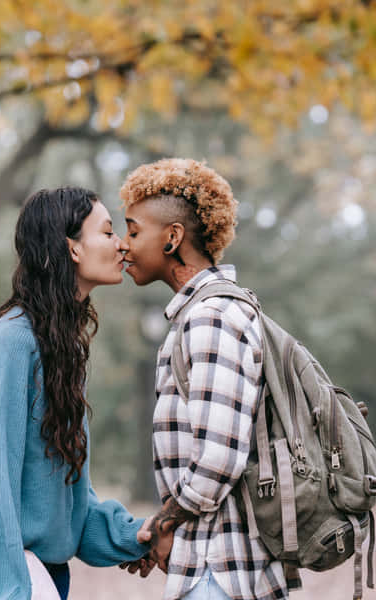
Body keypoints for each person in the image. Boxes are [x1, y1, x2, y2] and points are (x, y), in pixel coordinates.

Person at [0, 187, 152, 600]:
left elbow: (64, 497)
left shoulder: (59, 346)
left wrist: (136, 535)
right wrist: (6, 591)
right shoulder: (13, 341)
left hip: (35, 570)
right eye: (106, 232)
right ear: (73, 249)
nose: (120, 244)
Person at [118, 159, 289, 600]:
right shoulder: (205, 315)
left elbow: (216, 461)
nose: (124, 245)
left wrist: (161, 525)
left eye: (134, 232)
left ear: (172, 238)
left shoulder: (211, 318)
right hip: (215, 566)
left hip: (221, 571)